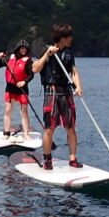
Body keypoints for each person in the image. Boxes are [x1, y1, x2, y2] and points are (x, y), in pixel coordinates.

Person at [32, 23, 82, 170]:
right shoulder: (45, 51)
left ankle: (72, 158)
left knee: (70, 127)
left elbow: (73, 71)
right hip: (51, 93)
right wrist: (47, 55)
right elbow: (35, 69)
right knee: (49, 128)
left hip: (66, 93)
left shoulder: (68, 53)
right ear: (63, 38)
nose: (71, 39)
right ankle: (47, 159)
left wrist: (78, 86)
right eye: (69, 36)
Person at [0, 40, 34, 137]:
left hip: (22, 88)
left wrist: (24, 82)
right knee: (8, 109)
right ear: (18, 49)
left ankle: (26, 134)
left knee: (24, 111)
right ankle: (6, 132)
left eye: (25, 48)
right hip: (10, 87)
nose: (24, 50)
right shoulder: (9, 57)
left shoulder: (28, 61)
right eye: (22, 48)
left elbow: (31, 75)